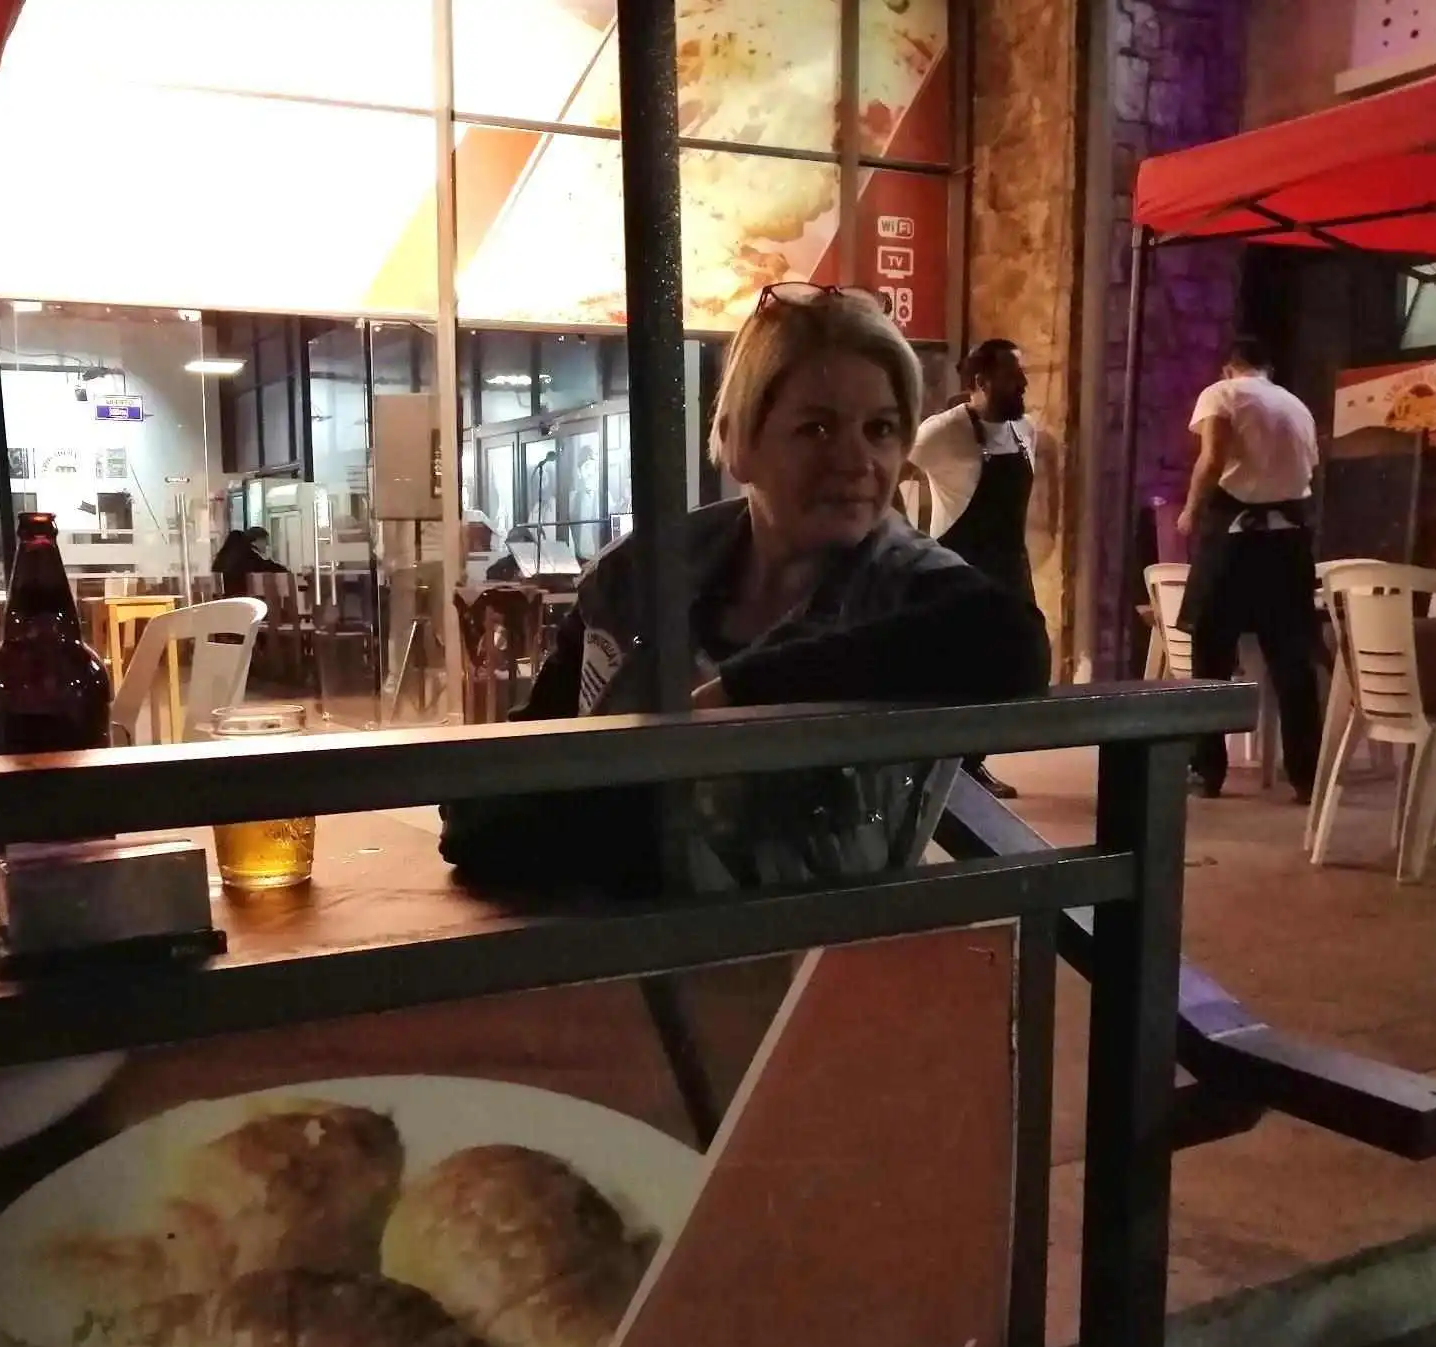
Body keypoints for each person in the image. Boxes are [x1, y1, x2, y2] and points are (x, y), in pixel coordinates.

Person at [440, 284, 1050, 894]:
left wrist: (744, 691)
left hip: (809, 946)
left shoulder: (913, 584)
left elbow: (1015, 646)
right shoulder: (638, 574)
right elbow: (509, 776)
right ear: (739, 444)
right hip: (613, 935)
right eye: (816, 428)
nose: (856, 460)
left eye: (881, 429)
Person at [1175, 334, 1322, 803]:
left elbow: (1213, 457)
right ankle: (1306, 774)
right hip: (1290, 542)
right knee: (1292, 658)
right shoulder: (1297, 406)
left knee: (1211, 653)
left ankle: (1208, 769)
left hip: (1237, 540)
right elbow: (1306, 472)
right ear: (1269, 369)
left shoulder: (1222, 394)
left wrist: (1190, 510)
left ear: (1229, 367)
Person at [908, 338, 1042, 799]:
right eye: (1013, 376)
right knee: (955, 675)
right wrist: (903, 542)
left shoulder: (1025, 431)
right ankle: (953, 768)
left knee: (1014, 668)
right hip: (958, 568)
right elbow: (889, 472)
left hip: (1009, 566)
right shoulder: (940, 432)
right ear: (981, 382)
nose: (1023, 383)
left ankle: (973, 760)